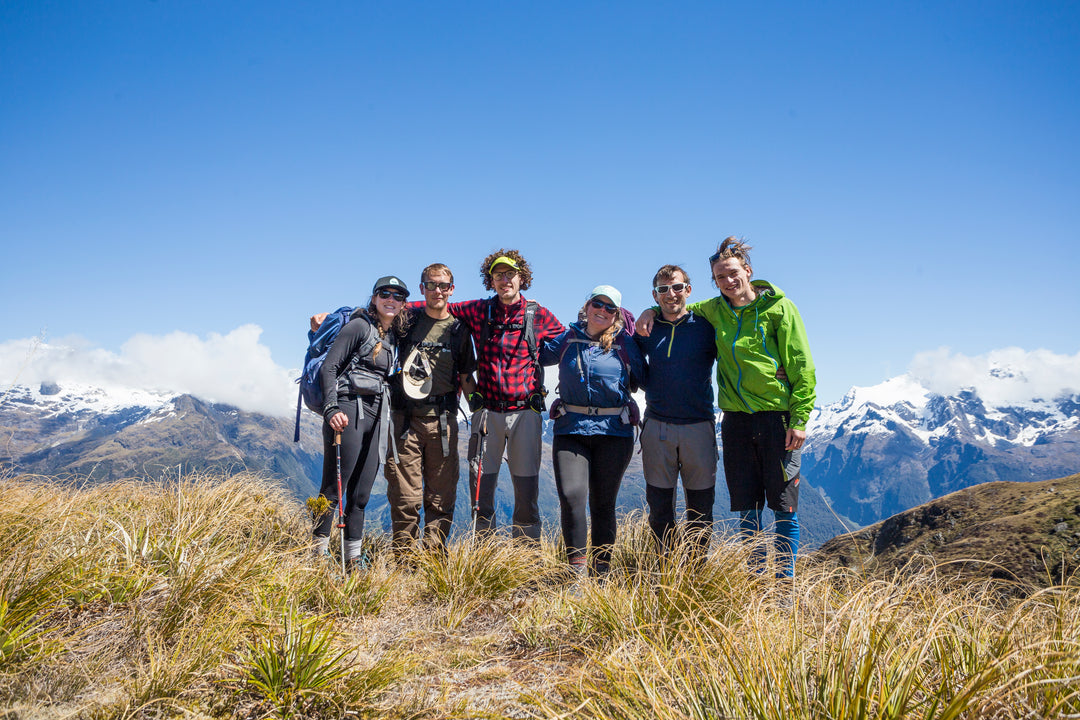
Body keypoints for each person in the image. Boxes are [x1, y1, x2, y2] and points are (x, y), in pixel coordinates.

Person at [638, 238, 815, 578]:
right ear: (714, 282)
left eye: (733, 273)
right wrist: (650, 311)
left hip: (776, 419)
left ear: (748, 271)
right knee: (747, 509)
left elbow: (802, 367)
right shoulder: (712, 311)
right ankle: (753, 577)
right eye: (720, 277)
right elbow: (676, 308)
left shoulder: (779, 309)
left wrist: (799, 417)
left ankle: (784, 584)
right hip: (735, 422)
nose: (728, 281)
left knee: (783, 507)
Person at [423, 249, 564, 541]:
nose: (504, 280)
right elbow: (436, 304)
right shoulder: (479, 310)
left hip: (525, 412)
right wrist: (381, 308)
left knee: (526, 494)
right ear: (491, 281)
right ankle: (486, 558)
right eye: (498, 275)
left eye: (510, 274)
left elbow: (568, 342)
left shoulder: (537, 315)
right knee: (481, 493)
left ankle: (525, 560)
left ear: (522, 278)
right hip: (486, 413)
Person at [540, 285, 643, 577]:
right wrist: (530, 314)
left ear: (618, 315)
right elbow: (537, 353)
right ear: (587, 306)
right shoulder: (569, 337)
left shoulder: (625, 342)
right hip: (571, 428)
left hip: (614, 432)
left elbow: (647, 376)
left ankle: (602, 571)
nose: (603, 311)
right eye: (598, 304)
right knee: (571, 497)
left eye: (611, 308)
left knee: (603, 502)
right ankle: (576, 574)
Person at [313, 275, 410, 568]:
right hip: (348, 409)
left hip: (377, 414)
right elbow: (329, 367)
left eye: (397, 296)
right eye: (385, 294)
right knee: (332, 489)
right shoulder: (358, 326)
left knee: (361, 493)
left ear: (404, 303)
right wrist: (331, 409)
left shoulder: (392, 336)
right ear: (374, 298)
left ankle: (352, 559)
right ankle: (315, 555)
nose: (390, 300)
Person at [384, 263, 477, 556]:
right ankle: (404, 561)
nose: (438, 291)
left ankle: (434, 560)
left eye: (444, 286)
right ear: (422, 287)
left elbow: (466, 377)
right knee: (404, 497)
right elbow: (378, 316)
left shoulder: (460, 330)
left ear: (452, 290)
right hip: (404, 421)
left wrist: (481, 412)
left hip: (443, 422)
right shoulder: (406, 320)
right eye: (432, 285)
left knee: (441, 496)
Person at [632, 265, 718, 558]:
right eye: (663, 290)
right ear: (655, 295)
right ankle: (665, 571)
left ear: (688, 290)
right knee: (659, 508)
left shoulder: (706, 328)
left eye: (677, 287)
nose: (671, 294)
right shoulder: (645, 329)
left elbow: (738, 353)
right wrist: (648, 312)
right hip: (658, 426)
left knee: (701, 509)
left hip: (699, 426)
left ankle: (695, 574)